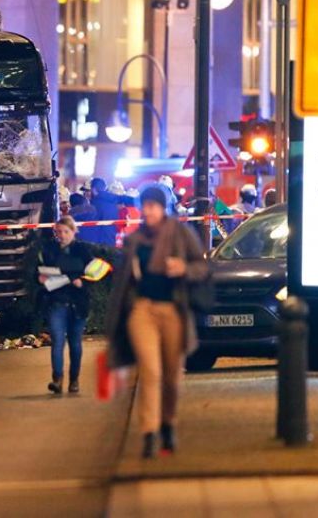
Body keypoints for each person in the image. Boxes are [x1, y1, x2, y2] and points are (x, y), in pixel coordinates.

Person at [104, 186, 208, 459]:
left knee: (172, 375)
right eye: (145, 205)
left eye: (154, 205)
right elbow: (122, 282)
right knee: (150, 371)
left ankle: (168, 424)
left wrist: (184, 268)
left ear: (164, 208)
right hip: (143, 310)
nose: (148, 210)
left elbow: (202, 266)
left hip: (173, 310)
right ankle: (149, 432)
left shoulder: (181, 233)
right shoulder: (134, 239)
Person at [37, 216, 93, 394]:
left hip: (77, 302)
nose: (62, 235)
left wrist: (82, 282)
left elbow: (94, 274)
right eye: (58, 232)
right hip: (57, 301)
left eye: (65, 231)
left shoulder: (83, 250)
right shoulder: (49, 250)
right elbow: (37, 270)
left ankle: (74, 380)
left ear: (73, 231)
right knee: (57, 341)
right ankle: (58, 379)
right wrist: (40, 278)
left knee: (75, 343)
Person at [78, 177, 121, 247]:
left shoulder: (95, 205)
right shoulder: (111, 204)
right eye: (85, 191)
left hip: (99, 245)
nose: (86, 194)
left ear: (93, 190)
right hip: (109, 242)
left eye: (88, 191)